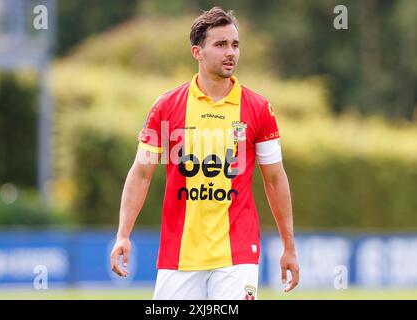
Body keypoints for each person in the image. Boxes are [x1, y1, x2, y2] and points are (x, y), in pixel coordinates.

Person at [110, 7, 299, 300]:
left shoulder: (260, 109)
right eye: (220, 44)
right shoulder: (166, 106)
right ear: (197, 51)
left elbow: (275, 179)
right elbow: (141, 173)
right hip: (179, 254)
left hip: (238, 254)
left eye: (235, 44)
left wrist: (289, 246)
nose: (231, 52)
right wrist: (123, 233)